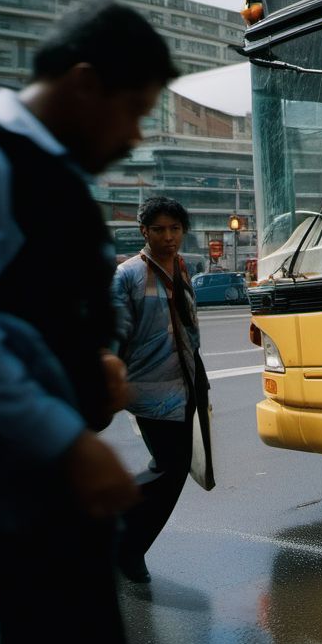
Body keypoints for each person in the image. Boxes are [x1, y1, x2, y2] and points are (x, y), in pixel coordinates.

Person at [0, 0, 177, 644]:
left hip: (37, 493)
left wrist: (91, 364)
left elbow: (26, 302)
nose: (134, 136)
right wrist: (66, 437)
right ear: (86, 84)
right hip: (17, 496)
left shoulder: (43, 169)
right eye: (134, 110)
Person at [112, 196, 212, 584]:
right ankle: (126, 541)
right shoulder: (128, 275)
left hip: (185, 382)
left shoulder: (182, 268)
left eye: (175, 229)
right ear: (144, 232)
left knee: (173, 469)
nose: (169, 237)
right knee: (168, 468)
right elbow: (116, 333)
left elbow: (189, 328)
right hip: (149, 389)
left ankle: (127, 540)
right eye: (159, 230)